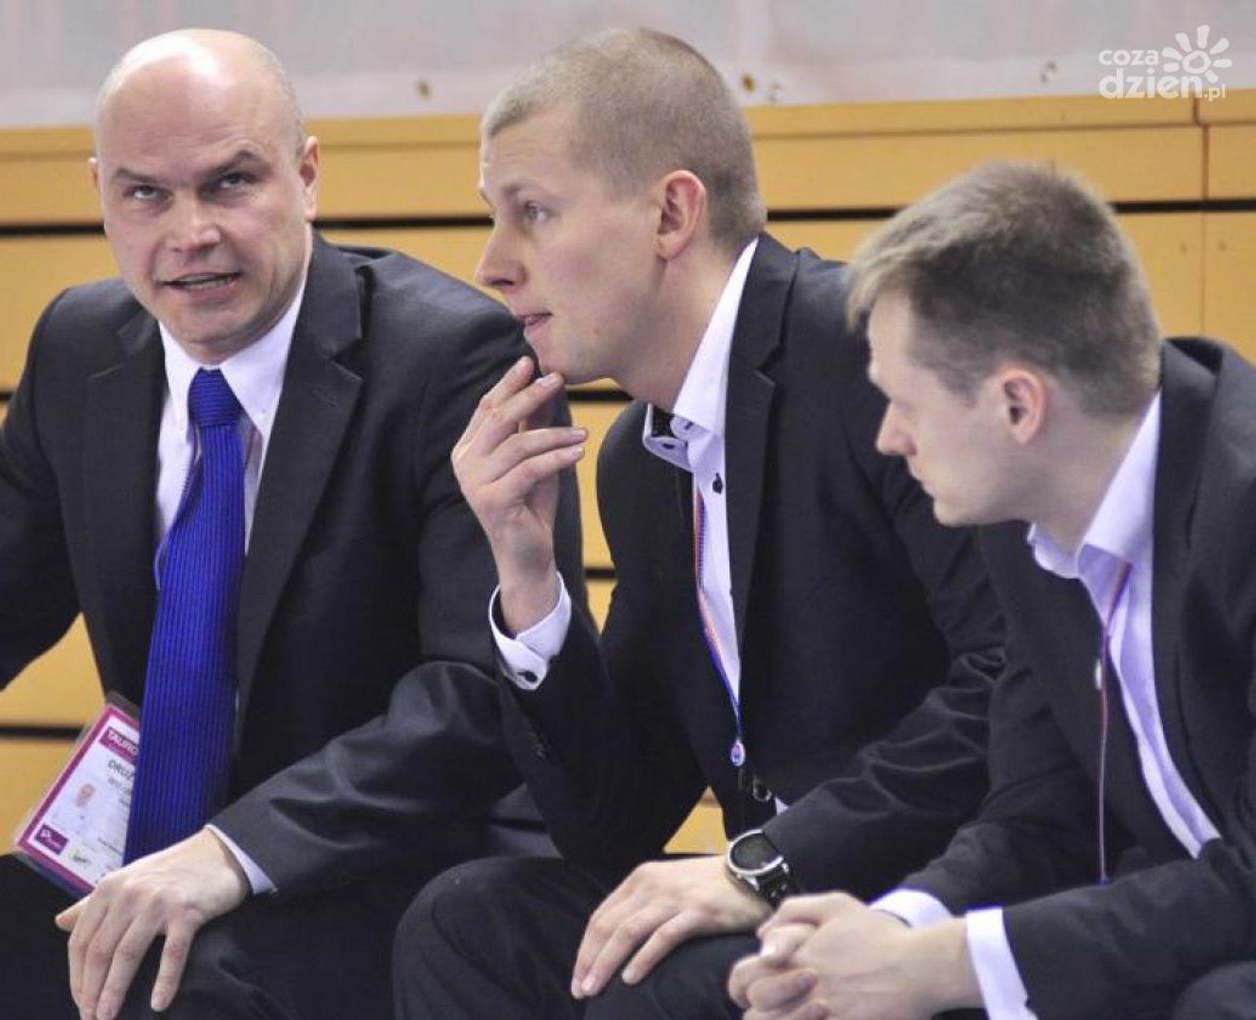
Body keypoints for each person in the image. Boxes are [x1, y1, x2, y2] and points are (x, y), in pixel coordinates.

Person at [0, 28, 583, 1020]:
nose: (189, 233)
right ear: (101, 195)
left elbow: (473, 694)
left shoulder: (453, 359)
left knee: (180, 985)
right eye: (146, 194)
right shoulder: (82, 349)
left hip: (383, 876)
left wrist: (232, 854)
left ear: (307, 176)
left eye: (229, 183)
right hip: (145, 866)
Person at [393, 27, 1004, 1019]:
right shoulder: (641, 462)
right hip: (786, 901)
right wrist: (527, 579)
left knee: (653, 991)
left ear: (671, 213)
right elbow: (615, 823)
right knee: (468, 925)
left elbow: (1011, 681)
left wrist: (767, 862)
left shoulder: (872, 355)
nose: (493, 264)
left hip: (946, 902)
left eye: (532, 213)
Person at [728, 161, 1256, 1020]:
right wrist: (894, 931)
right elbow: (1040, 817)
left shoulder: (1243, 504)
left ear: (1017, 406)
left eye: (904, 403)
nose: (889, 438)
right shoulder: (1028, 518)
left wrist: (938, 966)